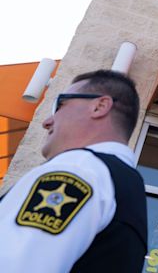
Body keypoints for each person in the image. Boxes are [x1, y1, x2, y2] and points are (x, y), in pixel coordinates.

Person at [0, 70, 147, 272]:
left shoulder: (78, 167)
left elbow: (17, 265)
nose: (47, 122)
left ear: (99, 106)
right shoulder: (124, 184)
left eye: (59, 105)